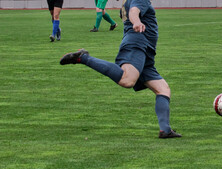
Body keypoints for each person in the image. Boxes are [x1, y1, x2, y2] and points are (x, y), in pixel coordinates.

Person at [60, 0, 181, 139]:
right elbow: (134, 12)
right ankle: (83, 57)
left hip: (146, 50)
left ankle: (165, 130)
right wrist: (136, 21)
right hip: (137, 43)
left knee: (163, 89)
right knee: (127, 80)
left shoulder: (127, 2)